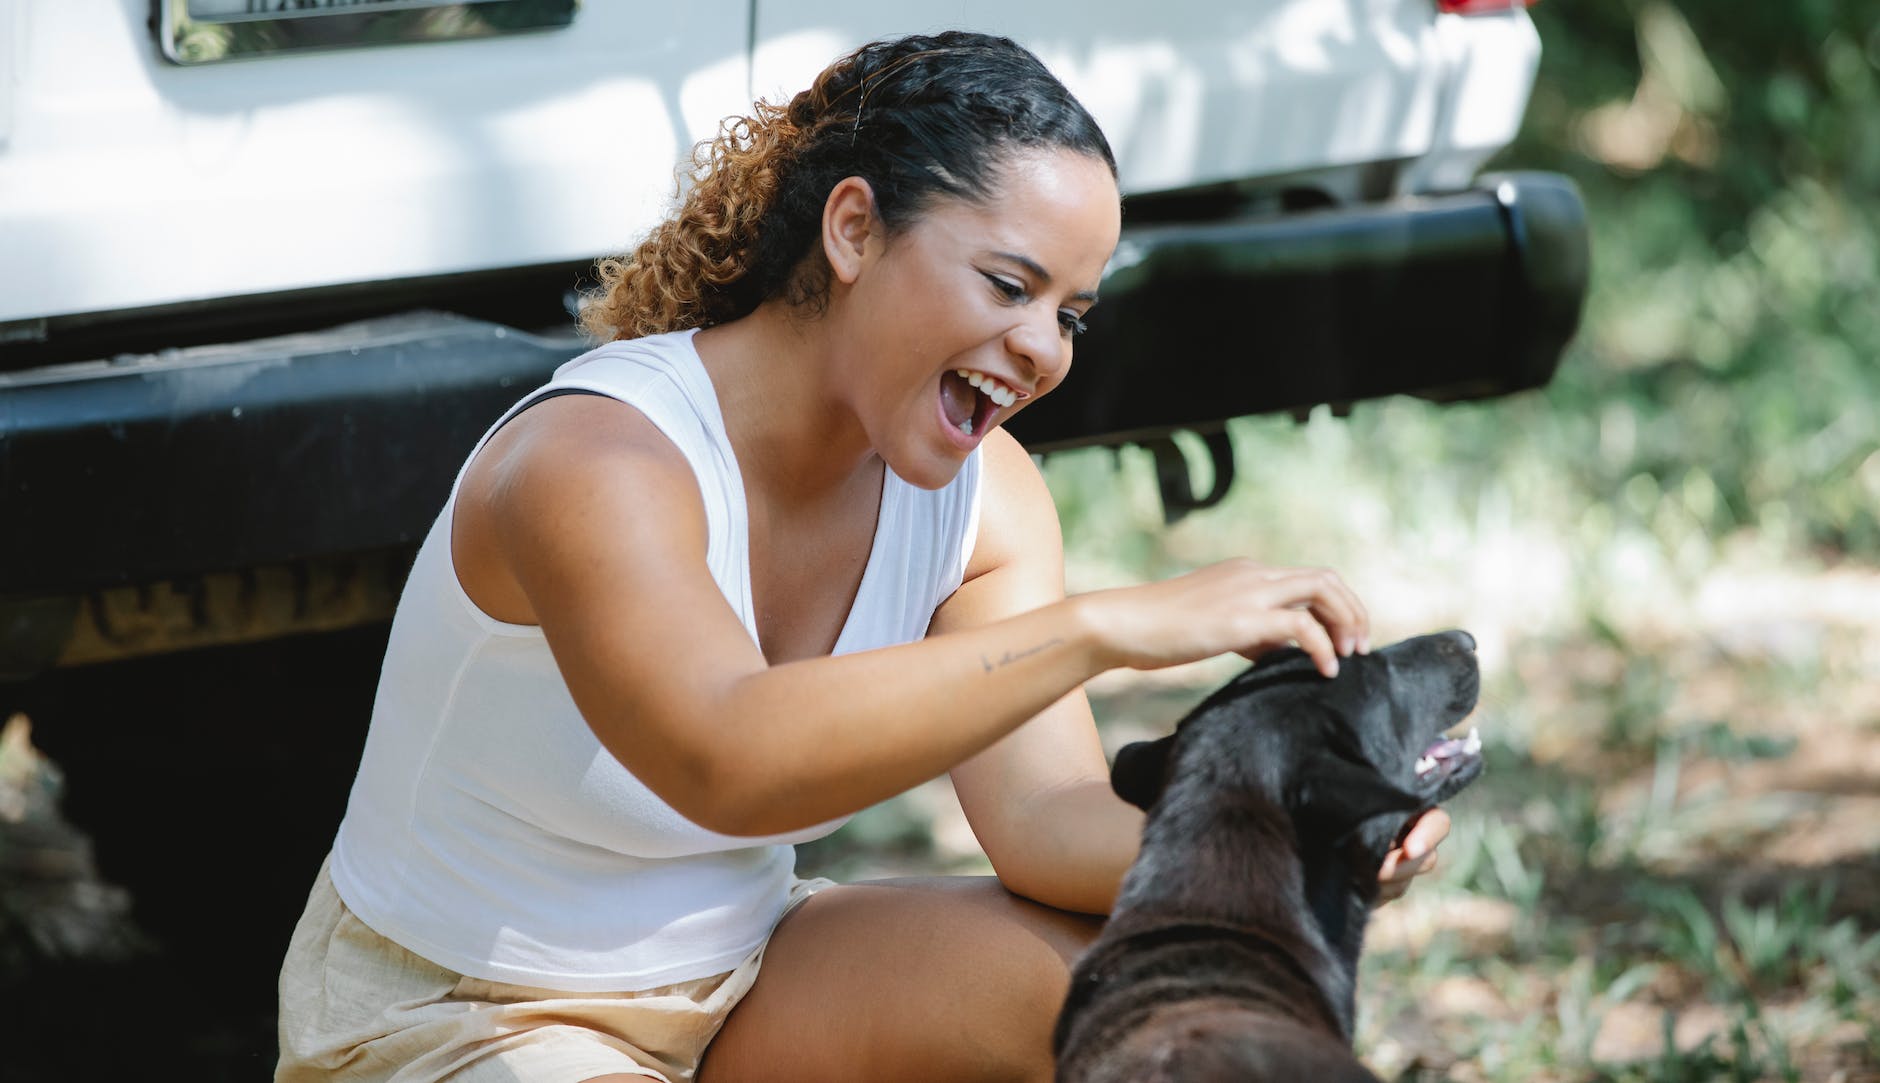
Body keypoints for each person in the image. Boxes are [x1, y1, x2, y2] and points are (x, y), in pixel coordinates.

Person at [275, 30, 1449, 1083]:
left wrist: (1306, 847)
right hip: (460, 1016)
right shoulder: (599, 460)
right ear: (851, 230)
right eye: (1008, 284)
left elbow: (1046, 825)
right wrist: (1103, 626)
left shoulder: (982, 500)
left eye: (1073, 314)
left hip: (744, 980)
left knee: (1136, 1000)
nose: (1040, 348)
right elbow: (725, 754)